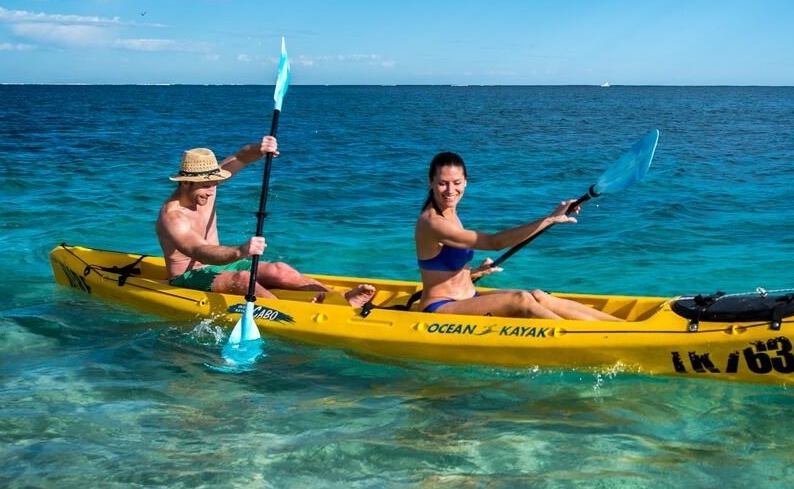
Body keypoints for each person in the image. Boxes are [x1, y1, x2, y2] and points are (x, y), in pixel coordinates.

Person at [156, 137, 376, 307]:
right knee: (243, 278)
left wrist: (260, 149)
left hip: (222, 264)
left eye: (215, 183)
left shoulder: (206, 187)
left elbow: (240, 158)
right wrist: (239, 251)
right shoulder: (173, 216)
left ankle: (339, 299)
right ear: (186, 183)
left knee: (280, 270)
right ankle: (289, 313)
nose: (212, 190)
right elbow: (200, 250)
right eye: (206, 185)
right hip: (189, 276)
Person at [415, 151, 622, 321]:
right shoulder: (433, 223)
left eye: (457, 182)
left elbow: (442, 267)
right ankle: (584, 339)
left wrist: (476, 272)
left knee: (538, 296)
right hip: (440, 308)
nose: (451, 190)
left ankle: (619, 326)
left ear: (466, 182)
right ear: (430, 182)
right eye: (443, 183)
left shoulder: (450, 212)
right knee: (521, 300)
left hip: (469, 297)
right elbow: (493, 242)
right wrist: (549, 219)